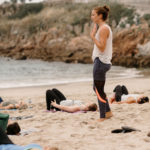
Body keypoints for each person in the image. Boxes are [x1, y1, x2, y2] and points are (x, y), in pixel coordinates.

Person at [90, 5, 113, 121]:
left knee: (99, 90)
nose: (91, 16)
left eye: (93, 14)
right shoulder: (103, 28)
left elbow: (102, 47)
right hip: (101, 62)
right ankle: (107, 112)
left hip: (101, 62)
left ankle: (103, 116)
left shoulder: (103, 29)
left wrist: (93, 37)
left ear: (100, 16)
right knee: (97, 88)